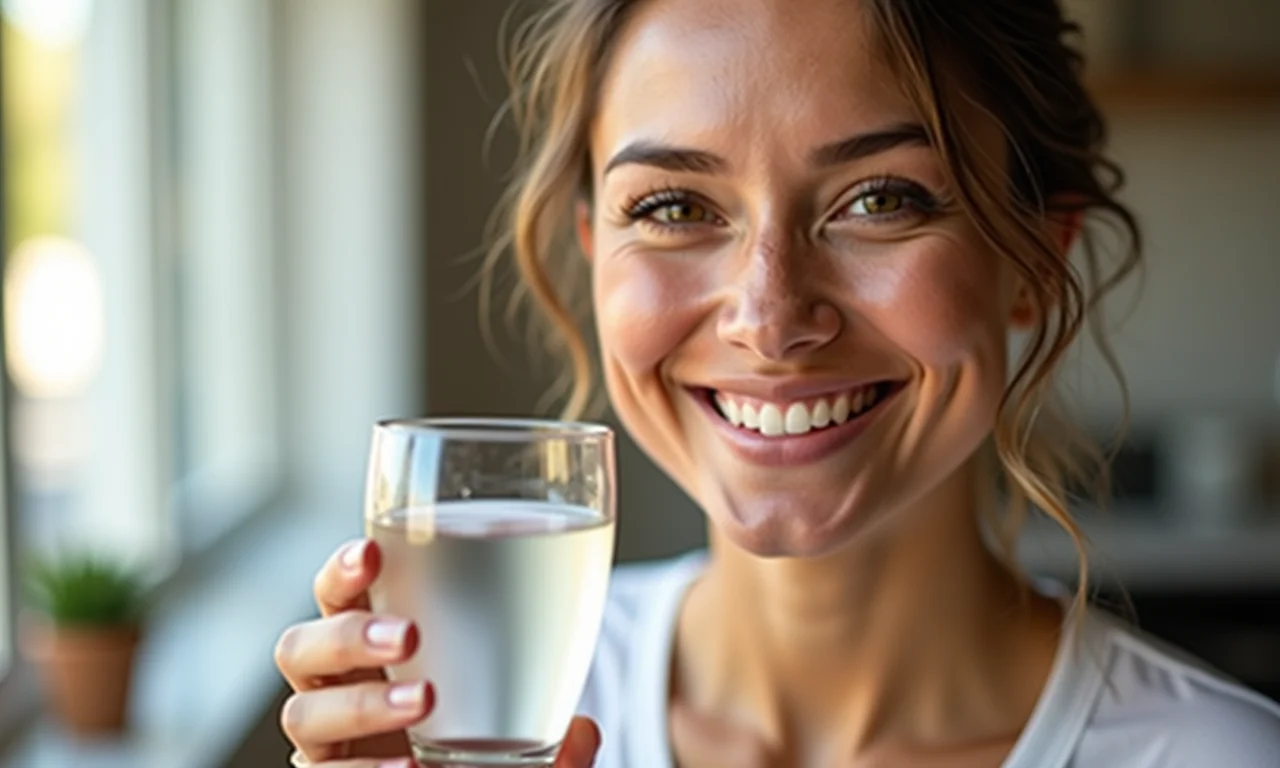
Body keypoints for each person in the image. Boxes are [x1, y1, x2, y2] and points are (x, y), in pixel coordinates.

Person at [273, 0, 1280, 765]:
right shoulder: (472, 722)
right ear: (593, 252)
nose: (768, 314)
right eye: (672, 207)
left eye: (877, 199)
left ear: (1033, 259)